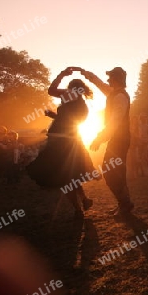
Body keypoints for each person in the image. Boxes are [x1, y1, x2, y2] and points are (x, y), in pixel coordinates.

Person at [26, 68, 94, 219]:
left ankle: (78, 209)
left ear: (72, 88)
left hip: (59, 141)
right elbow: (68, 120)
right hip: (72, 140)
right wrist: (54, 115)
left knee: (63, 177)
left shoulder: (70, 95)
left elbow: (51, 90)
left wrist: (62, 74)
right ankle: (84, 200)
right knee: (71, 175)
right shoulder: (82, 104)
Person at [80, 67, 134, 217]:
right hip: (117, 139)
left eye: (110, 77)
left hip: (120, 139)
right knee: (114, 172)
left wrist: (100, 137)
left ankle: (125, 204)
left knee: (112, 172)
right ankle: (124, 203)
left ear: (116, 79)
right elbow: (100, 84)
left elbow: (115, 122)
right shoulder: (114, 93)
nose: (108, 80)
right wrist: (86, 73)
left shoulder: (120, 97)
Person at [138, 113, 148, 177]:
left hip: (146, 143)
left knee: (146, 158)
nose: (144, 119)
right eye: (143, 118)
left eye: (145, 118)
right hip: (140, 143)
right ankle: (142, 172)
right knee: (140, 158)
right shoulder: (138, 126)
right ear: (141, 119)